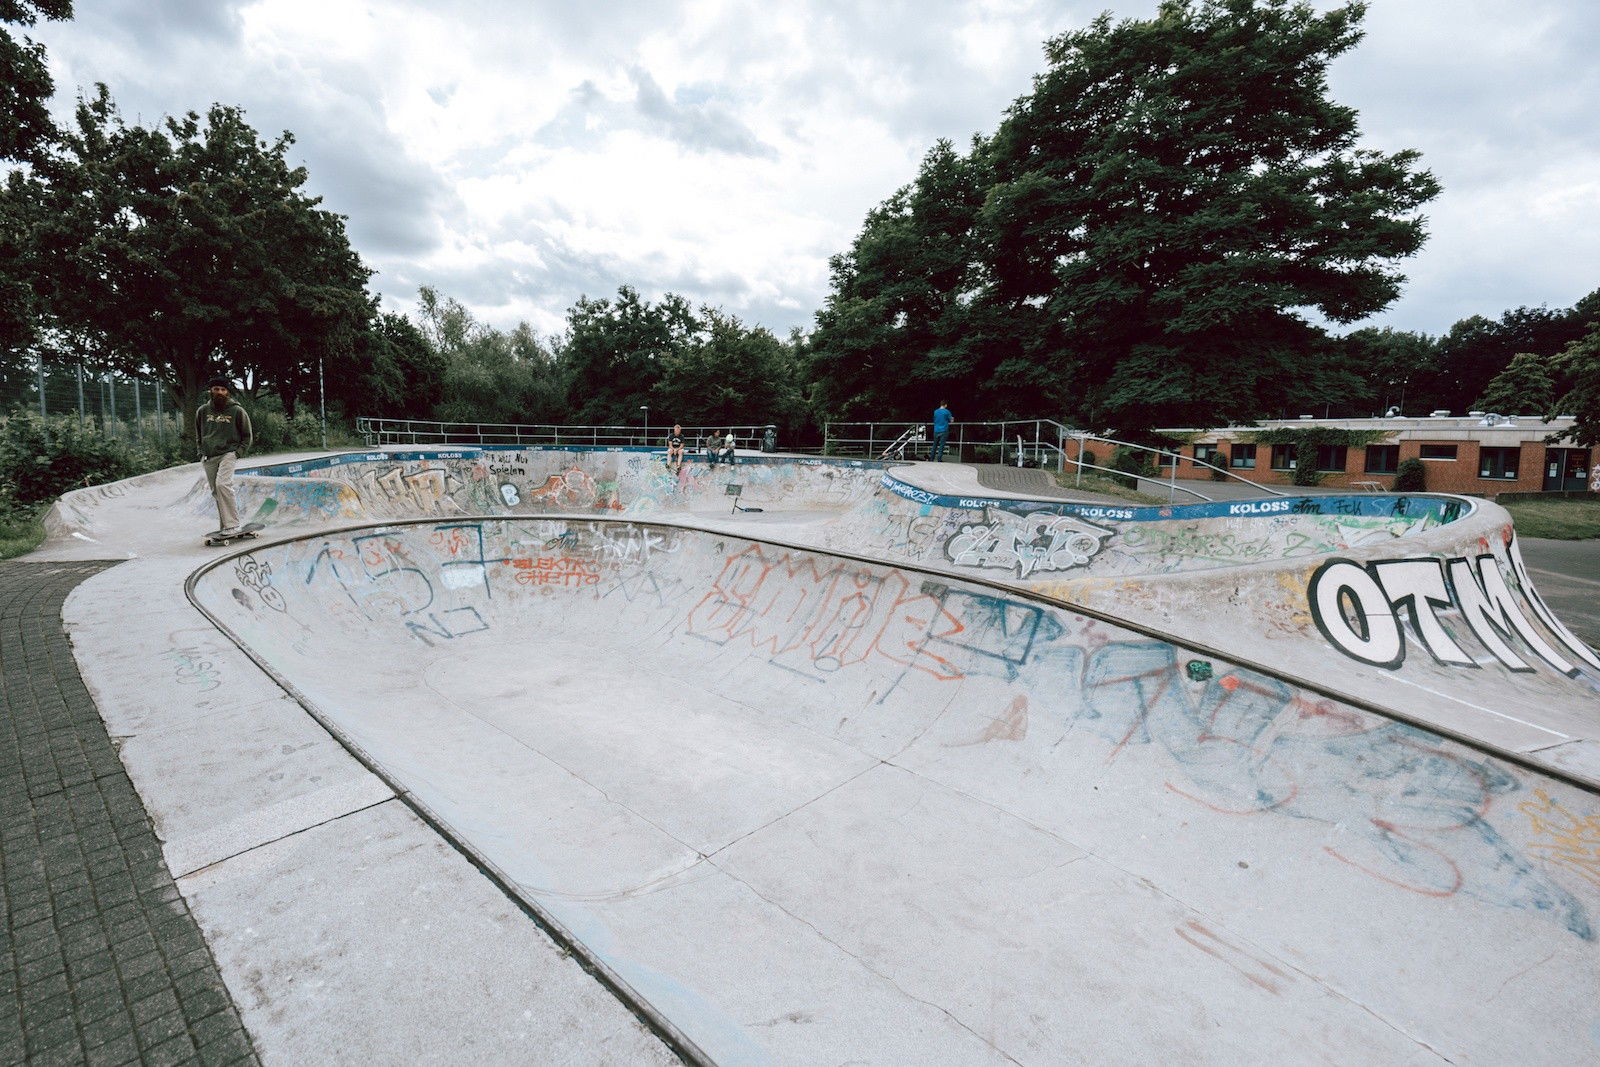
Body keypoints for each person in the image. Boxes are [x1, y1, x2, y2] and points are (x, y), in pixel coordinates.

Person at [194, 376, 253, 536]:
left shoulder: (237, 411)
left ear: (227, 392)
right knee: (216, 492)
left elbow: (247, 436)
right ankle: (225, 525)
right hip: (209, 456)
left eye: (223, 389)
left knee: (223, 485)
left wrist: (237, 453)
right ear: (211, 391)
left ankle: (233, 525)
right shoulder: (202, 411)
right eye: (216, 389)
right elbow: (199, 434)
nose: (220, 392)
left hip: (228, 453)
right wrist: (200, 451)